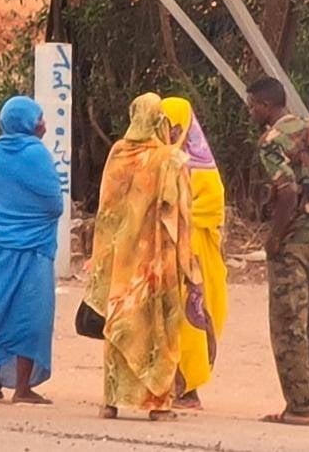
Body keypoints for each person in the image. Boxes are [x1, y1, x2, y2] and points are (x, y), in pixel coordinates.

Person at [84, 93, 199, 421]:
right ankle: (158, 404)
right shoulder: (169, 160)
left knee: (120, 324)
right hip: (157, 262)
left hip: (121, 260)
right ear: (159, 120)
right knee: (158, 328)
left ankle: (111, 402)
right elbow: (179, 214)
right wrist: (188, 264)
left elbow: (106, 210)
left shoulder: (117, 154)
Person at [246, 76, 309, 427]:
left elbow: (286, 192)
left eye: (253, 106)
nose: (252, 113)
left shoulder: (272, 140)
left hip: (294, 241)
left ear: (266, 105)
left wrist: (275, 237)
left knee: (288, 324)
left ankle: (299, 407)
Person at [0, 96, 63, 405]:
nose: (43, 125)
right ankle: (22, 389)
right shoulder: (37, 154)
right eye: (39, 119)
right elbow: (54, 204)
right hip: (32, 249)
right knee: (31, 317)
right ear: (27, 123)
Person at [161, 97, 228, 411]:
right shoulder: (162, 158)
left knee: (191, 318)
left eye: (173, 124)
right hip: (168, 250)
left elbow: (212, 207)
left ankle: (188, 389)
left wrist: (176, 217)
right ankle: (170, 383)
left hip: (195, 253)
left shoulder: (201, 166)